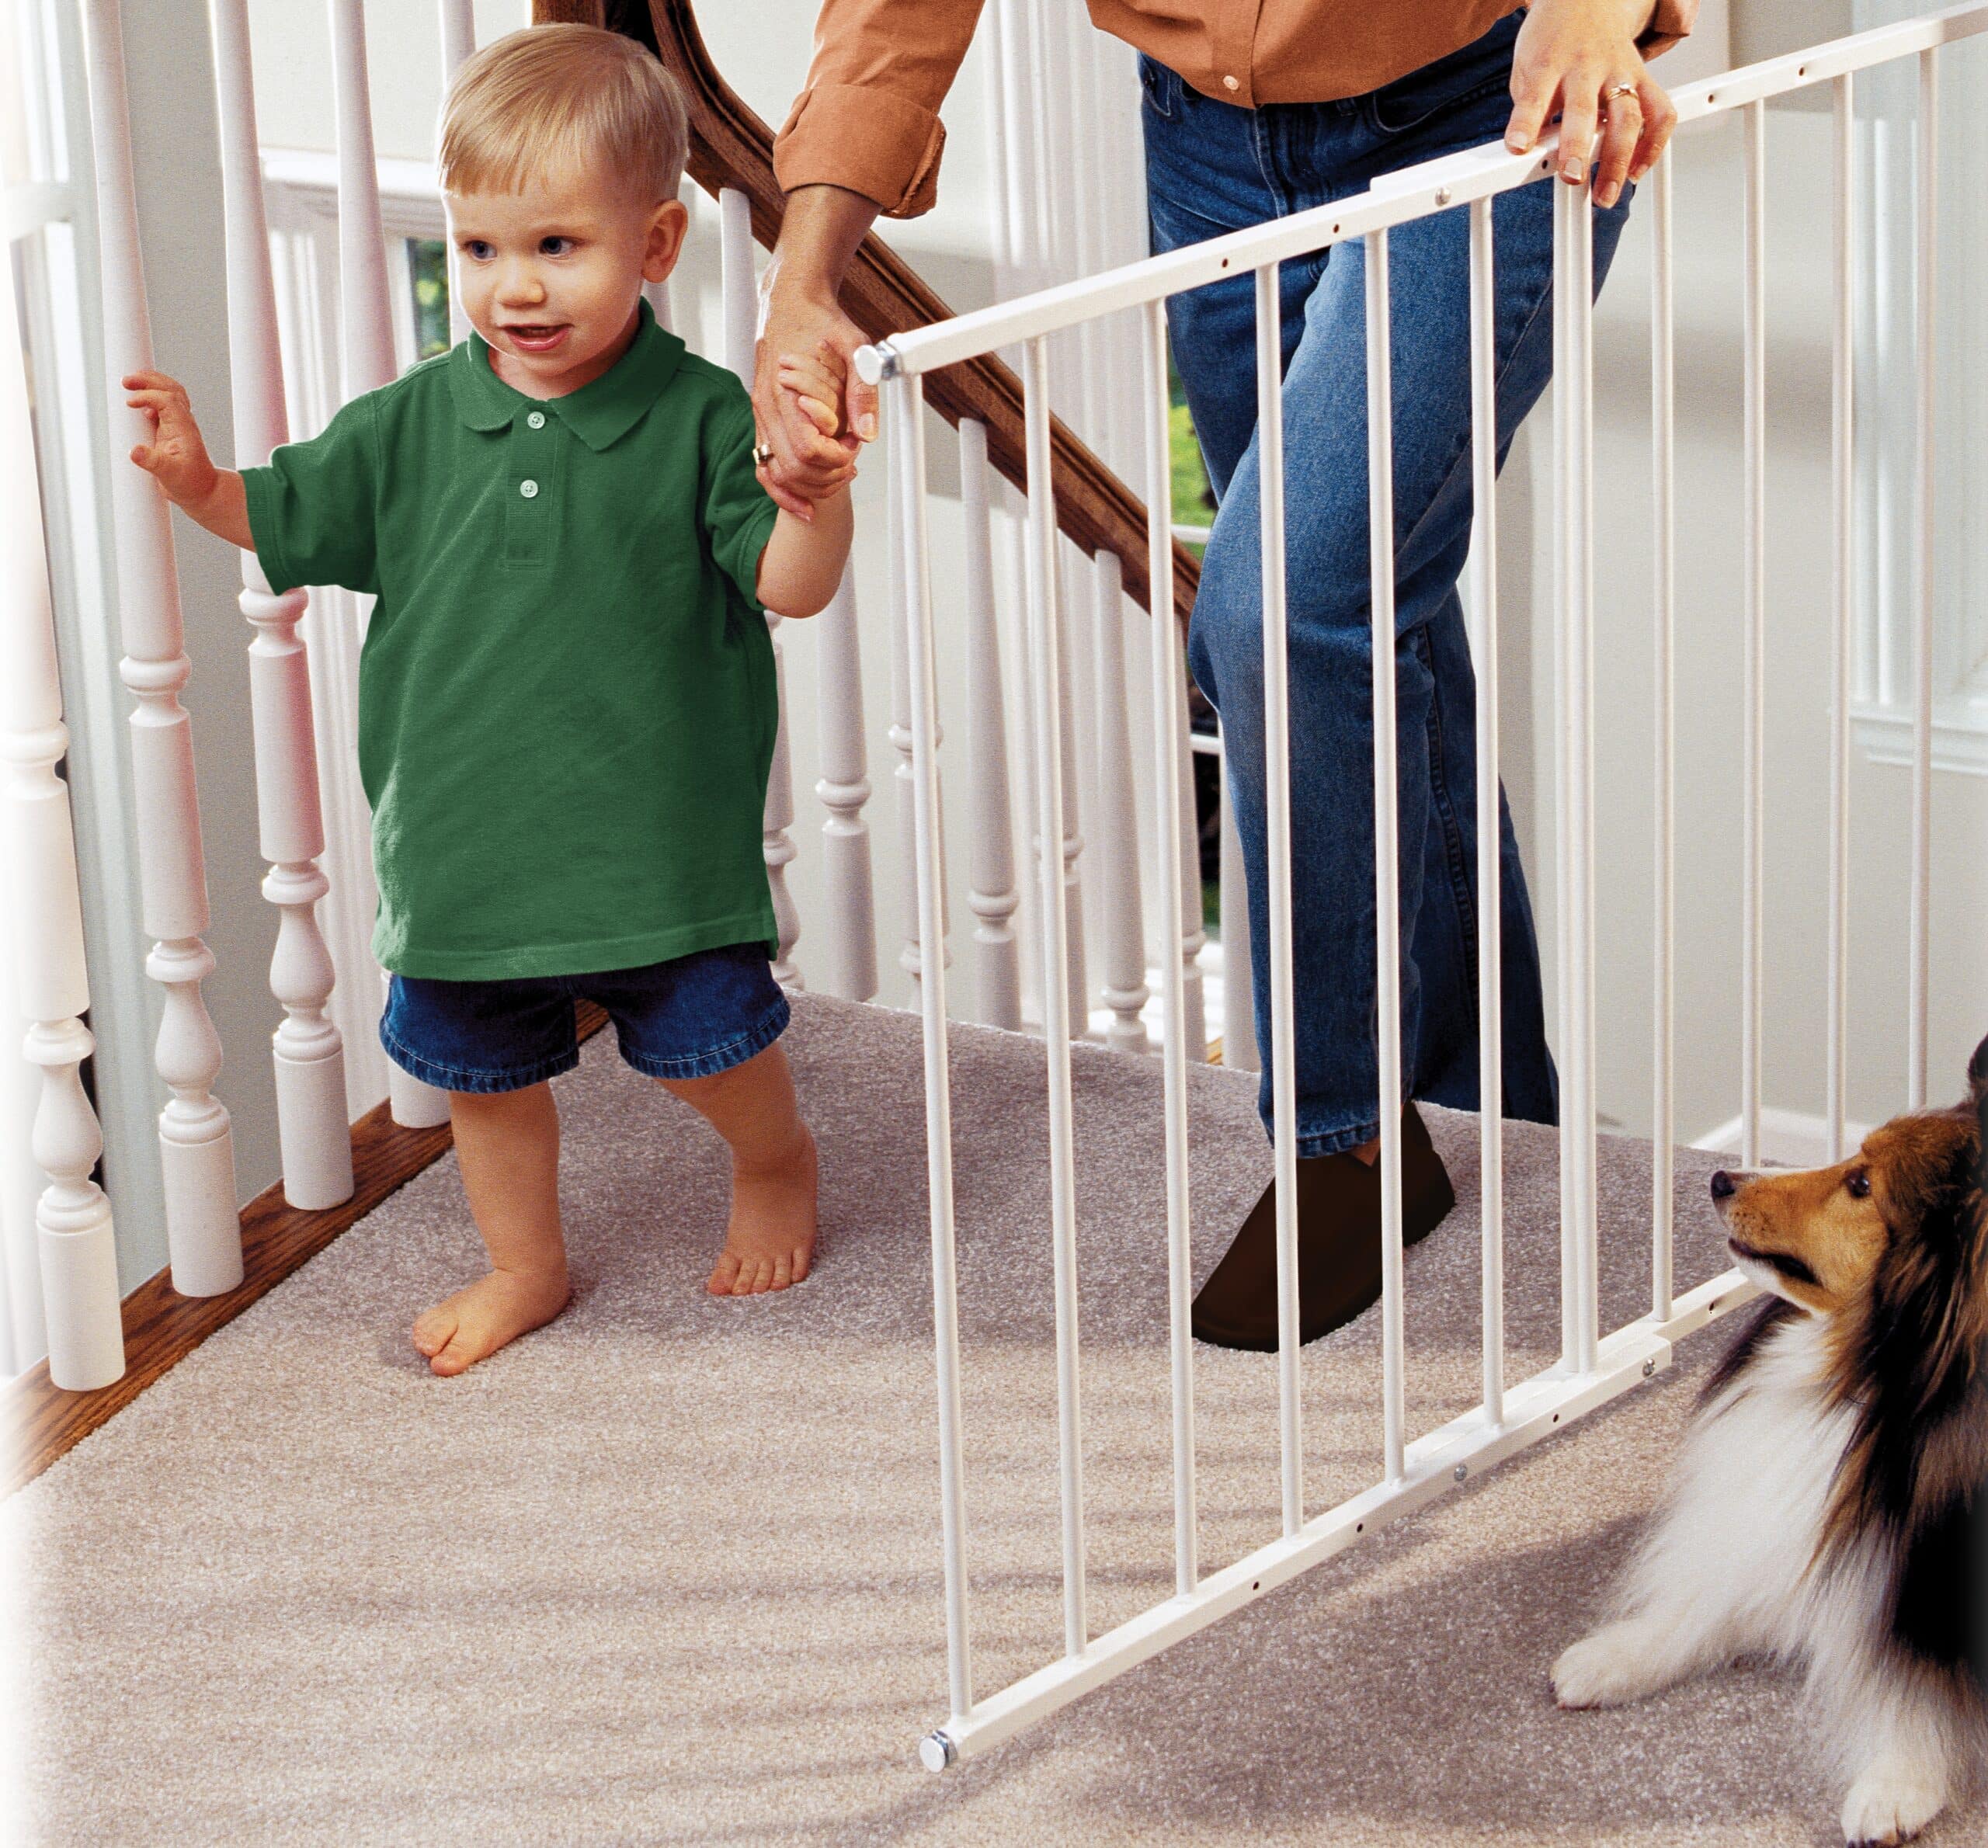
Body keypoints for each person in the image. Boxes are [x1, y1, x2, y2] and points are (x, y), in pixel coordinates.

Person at [752, 0, 1695, 1350]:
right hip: (1205, 147)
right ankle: (1492, 1104)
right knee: (1371, 619)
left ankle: (1344, 1140)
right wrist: (806, 281)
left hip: (1485, 114)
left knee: (1278, 614)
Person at [123, 24, 854, 1374]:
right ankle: (528, 1264)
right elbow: (282, 518)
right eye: (479, 250)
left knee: (710, 1048)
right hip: (462, 860)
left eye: (556, 248)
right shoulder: (403, 427)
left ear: (653, 247)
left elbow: (792, 586)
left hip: (658, 853)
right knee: (485, 1085)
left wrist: (815, 498)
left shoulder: (700, 417)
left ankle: (779, 1159)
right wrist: (196, 480)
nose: (512, 287)